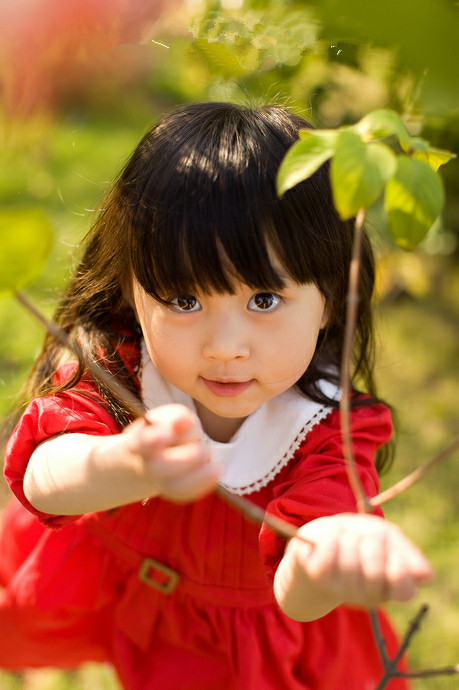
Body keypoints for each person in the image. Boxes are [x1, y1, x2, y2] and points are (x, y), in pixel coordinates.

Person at [0, 102, 431, 689]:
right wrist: (126, 462)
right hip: (115, 588)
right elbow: (41, 475)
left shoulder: (326, 428)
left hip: (240, 649)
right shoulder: (118, 367)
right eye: (184, 301)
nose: (225, 347)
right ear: (131, 287)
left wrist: (330, 552)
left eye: (263, 300)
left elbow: (300, 588)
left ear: (330, 299)